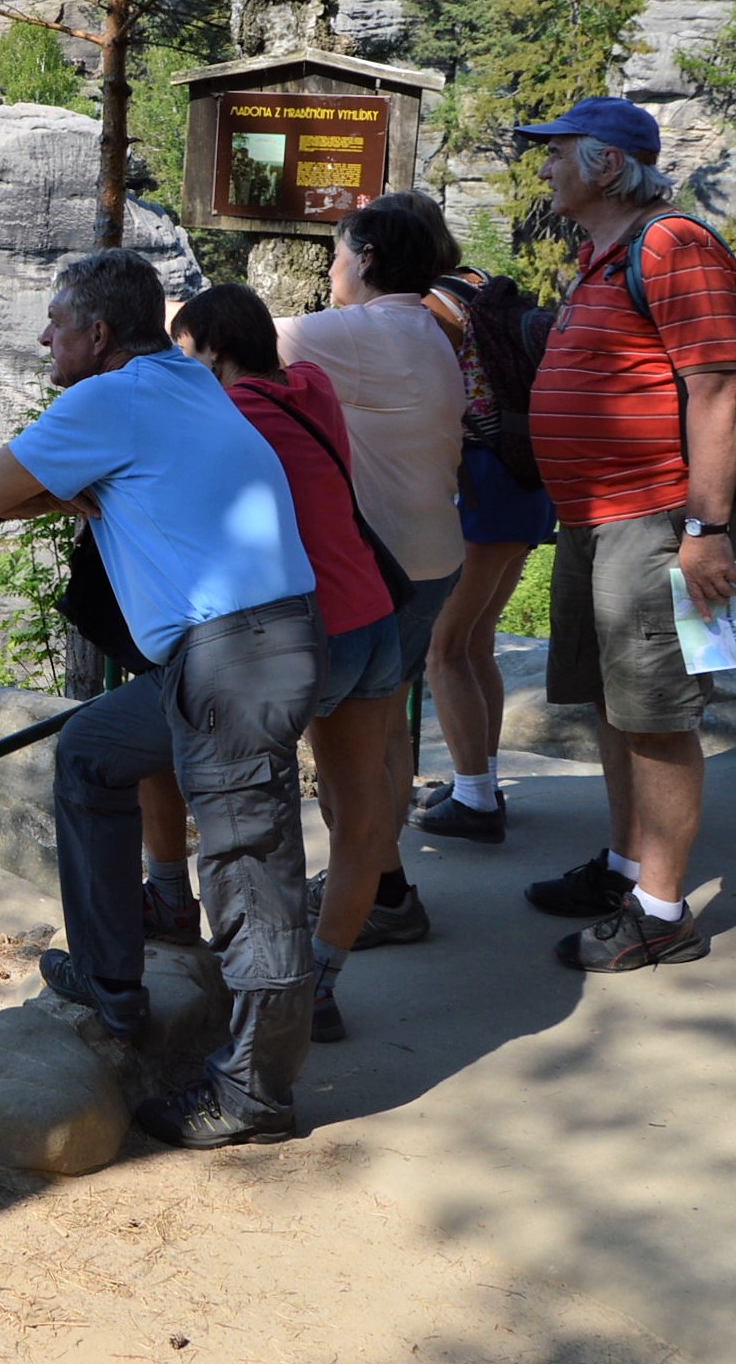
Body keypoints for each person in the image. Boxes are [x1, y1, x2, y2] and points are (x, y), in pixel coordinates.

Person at [0, 248, 323, 1148]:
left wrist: (63, 497)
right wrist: (84, 496)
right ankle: (111, 983)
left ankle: (255, 1095)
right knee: (92, 752)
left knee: (249, 874)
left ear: (98, 333)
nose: (44, 338)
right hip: (254, 644)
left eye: (56, 323)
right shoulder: (188, 380)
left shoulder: (109, 400)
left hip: (232, 657)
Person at [515, 97, 736, 971]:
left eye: (557, 152)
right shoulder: (604, 255)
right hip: (595, 519)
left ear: (607, 164)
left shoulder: (673, 246)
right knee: (614, 706)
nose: (545, 167)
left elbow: (719, 388)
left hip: (655, 520)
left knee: (655, 716)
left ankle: (662, 912)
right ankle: (625, 868)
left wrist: (706, 529)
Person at [154, 284, 403, 1045]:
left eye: (186, 350)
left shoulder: (229, 414)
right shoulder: (312, 388)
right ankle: (322, 981)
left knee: (250, 813)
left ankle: (230, 955)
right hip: (373, 620)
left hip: (304, 632)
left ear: (214, 350)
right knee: (358, 815)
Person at [277, 200, 465, 969]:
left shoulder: (360, 331)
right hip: (431, 558)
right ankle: (386, 888)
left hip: (378, 573)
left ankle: (377, 898)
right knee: (386, 731)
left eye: (339, 252)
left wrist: (148, 309)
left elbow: (227, 339)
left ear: (369, 258)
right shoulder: (428, 328)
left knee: (347, 755)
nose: (331, 267)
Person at [381, 190, 558, 844]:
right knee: (475, 641)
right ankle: (476, 784)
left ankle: (477, 801)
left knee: (446, 648)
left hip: (480, 487)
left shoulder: (430, 312)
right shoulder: (478, 285)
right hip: (525, 482)